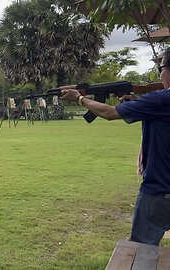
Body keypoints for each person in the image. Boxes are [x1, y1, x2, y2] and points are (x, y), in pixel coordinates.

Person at [60, 47, 170, 246]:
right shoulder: (158, 102)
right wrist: (137, 102)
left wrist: (79, 98)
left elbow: (109, 113)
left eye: (160, 68)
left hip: (159, 192)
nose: (160, 73)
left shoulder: (160, 99)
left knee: (141, 251)